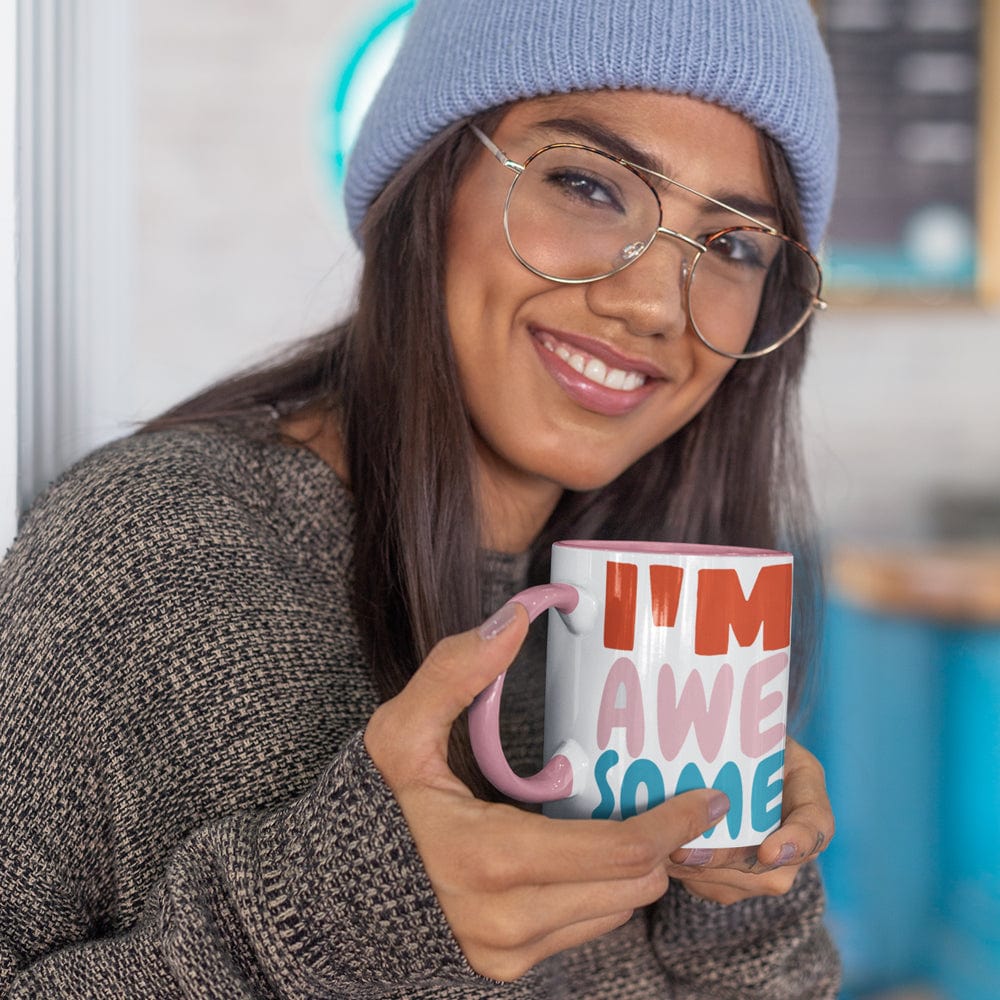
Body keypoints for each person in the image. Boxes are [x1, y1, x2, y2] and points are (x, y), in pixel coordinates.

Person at [0, 0, 842, 996]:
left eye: (736, 247)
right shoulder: (152, 553)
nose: (655, 303)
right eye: (585, 184)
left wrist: (738, 901)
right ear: (428, 180)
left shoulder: (657, 612)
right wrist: (325, 925)